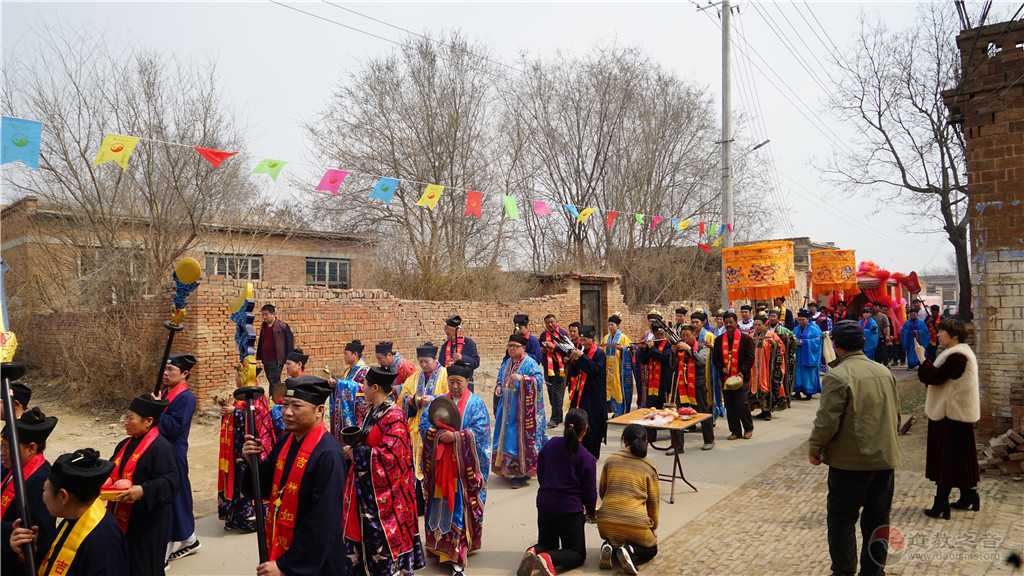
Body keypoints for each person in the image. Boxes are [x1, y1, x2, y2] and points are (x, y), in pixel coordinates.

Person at [808, 320, 900, 576]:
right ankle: (874, 572)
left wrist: (815, 448)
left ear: (836, 346)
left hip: (850, 463)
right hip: (884, 459)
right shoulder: (883, 371)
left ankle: (844, 571)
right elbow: (896, 415)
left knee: (841, 521)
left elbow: (827, 421)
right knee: (878, 520)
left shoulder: (838, 376)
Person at [243, 375, 345, 576]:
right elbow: (263, 488)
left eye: (297, 406)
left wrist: (286, 567)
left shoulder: (328, 454)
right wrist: (251, 462)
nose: (287, 413)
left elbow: (322, 522)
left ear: (319, 411)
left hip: (313, 563)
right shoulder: (286, 441)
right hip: (283, 548)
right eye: (285, 405)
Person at [342, 367, 426, 576]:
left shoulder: (394, 416)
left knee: (384, 541)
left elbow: (392, 455)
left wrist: (357, 454)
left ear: (376, 388)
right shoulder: (374, 410)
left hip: (388, 496)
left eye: (365, 386)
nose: (362, 389)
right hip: (367, 487)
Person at [418, 361, 490, 576]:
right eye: (451, 382)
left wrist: (458, 437)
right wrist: (439, 434)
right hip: (440, 467)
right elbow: (424, 425)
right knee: (438, 504)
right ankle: (437, 546)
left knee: (458, 508)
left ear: (467, 382)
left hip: (461, 471)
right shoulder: (439, 402)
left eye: (459, 382)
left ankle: (457, 553)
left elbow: (481, 433)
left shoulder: (476, 404)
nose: (455, 386)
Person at [9, 448, 129, 576]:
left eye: (45, 490)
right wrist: (31, 553)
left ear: (63, 496)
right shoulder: (73, 516)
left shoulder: (104, 543)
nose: (43, 497)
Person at [914, 318, 981, 519]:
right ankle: (969, 496)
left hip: (951, 415)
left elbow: (935, 377)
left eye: (942, 332)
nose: (939, 335)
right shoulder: (956, 353)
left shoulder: (958, 356)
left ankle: (941, 504)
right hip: (953, 413)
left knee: (947, 459)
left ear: (954, 336)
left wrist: (921, 359)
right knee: (960, 458)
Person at [517, 409, 597, 576]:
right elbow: (589, 492)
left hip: (545, 504)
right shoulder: (586, 457)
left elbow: (541, 472)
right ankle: (548, 559)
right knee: (576, 554)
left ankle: (533, 552)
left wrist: (548, 487)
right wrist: (590, 512)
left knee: (546, 542)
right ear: (586, 429)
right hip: (569, 511)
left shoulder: (551, 444)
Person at [108, 395, 179, 576]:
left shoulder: (161, 447)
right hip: (123, 519)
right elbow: (111, 469)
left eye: (130, 418)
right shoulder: (124, 444)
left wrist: (142, 491)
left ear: (148, 421)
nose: (125, 422)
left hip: (149, 523)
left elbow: (171, 482)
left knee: (145, 568)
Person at [596, 424, 659, 575]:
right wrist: (653, 527)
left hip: (605, 522)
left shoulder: (610, 460)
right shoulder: (648, 467)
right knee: (651, 548)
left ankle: (610, 547)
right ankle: (629, 550)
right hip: (634, 523)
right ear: (646, 441)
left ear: (624, 441)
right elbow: (653, 504)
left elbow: (602, 492)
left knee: (616, 536)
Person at [2, 407, 57, 576]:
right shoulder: (12, 468)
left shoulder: (42, 481)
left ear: (31, 448)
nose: (2, 453)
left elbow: (38, 536)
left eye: (6, 447)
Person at [216, 382, 275, 533]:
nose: (238, 376)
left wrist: (235, 411)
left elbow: (259, 416)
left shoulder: (257, 394)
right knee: (235, 482)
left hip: (249, 449)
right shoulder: (239, 396)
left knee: (247, 481)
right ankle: (234, 517)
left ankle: (249, 519)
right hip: (235, 449)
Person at [159, 353, 200, 561]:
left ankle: (168, 549)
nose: (165, 374)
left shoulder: (186, 398)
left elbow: (173, 427)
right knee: (172, 499)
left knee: (173, 499)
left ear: (185, 374)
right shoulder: (166, 392)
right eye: (165, 370)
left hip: (173, 454)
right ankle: (189, 538)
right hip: (162, 453)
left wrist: (156, 411)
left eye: (171, 371)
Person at [493, 333, 547, 489]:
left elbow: (538, 380)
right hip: (507, 408)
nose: (510, 349)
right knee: (506, 438)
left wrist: (523, 379)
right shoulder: (507, 362)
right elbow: (500, 377)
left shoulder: (530, 363)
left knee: (518, 441)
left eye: (514, 347)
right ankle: (506, 469)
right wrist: (498, 386)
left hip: (523, 412)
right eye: (509, 346)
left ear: (523, 348)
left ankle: (520, 473)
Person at [398, 342, 449, 490]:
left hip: (435, 427)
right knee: (414, 462)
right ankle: (418, 498)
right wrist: (414, 400)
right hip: (415, 427)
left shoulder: (445, 374)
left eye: (426, 361)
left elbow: (450, 397)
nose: (423, 365)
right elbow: (404, 396)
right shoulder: (415, 377)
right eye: (420, 361)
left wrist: (434, 400)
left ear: (434, 360)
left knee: (432, 462)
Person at [566, 325, 607, 459]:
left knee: (592, 426)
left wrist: (582, 357)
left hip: (593, 397)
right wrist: (572, 361)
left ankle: (591, 457)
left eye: (584, 340)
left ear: (591, 340)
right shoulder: (580, 350)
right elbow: (573, 373)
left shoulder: (599, 353)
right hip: (580, 395)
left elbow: (595, 371)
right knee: (576, 422)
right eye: (581, 340)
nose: (581, 343)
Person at [712, 311, 755, 440]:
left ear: (736, 322)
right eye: (726, 323)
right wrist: (722, 367)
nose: (728, 325)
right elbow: (716, 358)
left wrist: (742, 372)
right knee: (730, 406)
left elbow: (750, 358)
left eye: (731, 322)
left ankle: (748, 428)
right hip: (726, 379)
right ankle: (735, 431)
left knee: (741, 404)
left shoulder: (746, 339)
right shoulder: (719, 340)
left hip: (742, 376)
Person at [673, 325, 714, 451]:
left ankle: (709, 440)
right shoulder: (679, 349)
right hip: (682, 385)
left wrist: (689, 350)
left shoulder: (702, 347)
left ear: (694, 335)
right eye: (682, 336)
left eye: (687, 335)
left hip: (697, 385)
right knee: (678, 414)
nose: (684, 338)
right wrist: (673, 353)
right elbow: (672, 366)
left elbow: (702, 361)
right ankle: (678, 446)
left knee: (703, 412)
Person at [750, 315, 786, 421]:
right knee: (754, 388)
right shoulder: (752, 335)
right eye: (755, 324)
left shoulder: (771, 336)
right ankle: (761, 409)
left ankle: (767, 411)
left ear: (765, 325)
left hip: (767, 368)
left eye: (759, 325)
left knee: (767, 386)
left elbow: (781, 348)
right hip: (754, 368)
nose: (757, 327)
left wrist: (773, 345)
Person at [331, 340, 370, 435]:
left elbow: (363, 389)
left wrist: (340, 383)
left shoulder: (364, 371)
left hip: (357, 413)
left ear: (355, 354)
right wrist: (335, 386)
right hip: (346, 410)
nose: (344, 356)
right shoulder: (348, 371)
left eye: (346, 354)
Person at [538, 314, 570, 428]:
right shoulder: (543, 335)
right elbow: (539, 349)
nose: (550, 324)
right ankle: (559, 416)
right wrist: (543, 349)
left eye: (552, 322)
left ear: (556, 322)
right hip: (548, 369)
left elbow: (568, 349)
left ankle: (554, 419)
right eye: (547, 322)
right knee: (551, 394)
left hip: (560, 370)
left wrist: (555, 347)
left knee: (557, 394)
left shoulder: (563, 334)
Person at [637, 311, 673, 409]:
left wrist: (652, 349)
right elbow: (643, 360)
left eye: (662, 334)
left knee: (663, 410)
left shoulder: (668, 345)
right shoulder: (651, 343)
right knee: (651, 409)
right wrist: (643, 349)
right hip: (651, 383)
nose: (660, 337)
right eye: (658, 335)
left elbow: (664, 358)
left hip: (663, 382)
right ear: (653, 334)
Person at [691, 311, 723, 419]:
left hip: (708, 369)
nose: (694, 325)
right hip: (694, 369)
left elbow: (718, 352)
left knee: (709, 392)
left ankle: (711, 418)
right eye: (693, 322)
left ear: (703, 323)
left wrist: (712, 347)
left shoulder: (709, 335)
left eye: (697, 322)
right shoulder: (691, 335)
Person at [256, 303, 295, 391]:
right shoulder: (264, 326)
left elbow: (289, 343)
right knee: (272, 381)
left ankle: (276, 400)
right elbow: (261, 342)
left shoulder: (282, 326)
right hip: (266, 359)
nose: (264, 317)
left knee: (274, 381)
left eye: (266, 314)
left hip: (277, 360)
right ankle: (273, 400)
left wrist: (289, 359)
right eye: (263, 315)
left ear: (273, 314)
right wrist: (259, 357)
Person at [604, 313, 634, 416]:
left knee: (620, 390)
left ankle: (622, 411)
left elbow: (632, 350)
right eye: (609, 325)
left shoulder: (623, 338)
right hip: (609, 371)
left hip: (620, 369)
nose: (610, 327)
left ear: (618, 326)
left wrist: (622, 349)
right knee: (611, 390)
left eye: (612, 325)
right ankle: (615, 411)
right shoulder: (606, 338)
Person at [768, 308, 796, 408]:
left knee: (783, 379)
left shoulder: (784, 330)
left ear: (778, 318)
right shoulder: (766, 330)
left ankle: (786, 400)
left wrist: (789, 353)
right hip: (768, 359)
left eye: (774, 316)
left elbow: (793, 340)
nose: (771, 318)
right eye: (770, 316)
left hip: (781, 358)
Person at [793, 310, 823, 400]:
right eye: (799, 320)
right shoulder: (796, 328)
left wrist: (804, 342)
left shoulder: (814, 328)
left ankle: (808, 393)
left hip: (810, 356)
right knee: (797, 373)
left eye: (803, 319)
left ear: (808, 319)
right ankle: (797, 392)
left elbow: (817, 341)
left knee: (808, 373)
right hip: (798, 355)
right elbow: (792, 337)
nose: (801, 321)